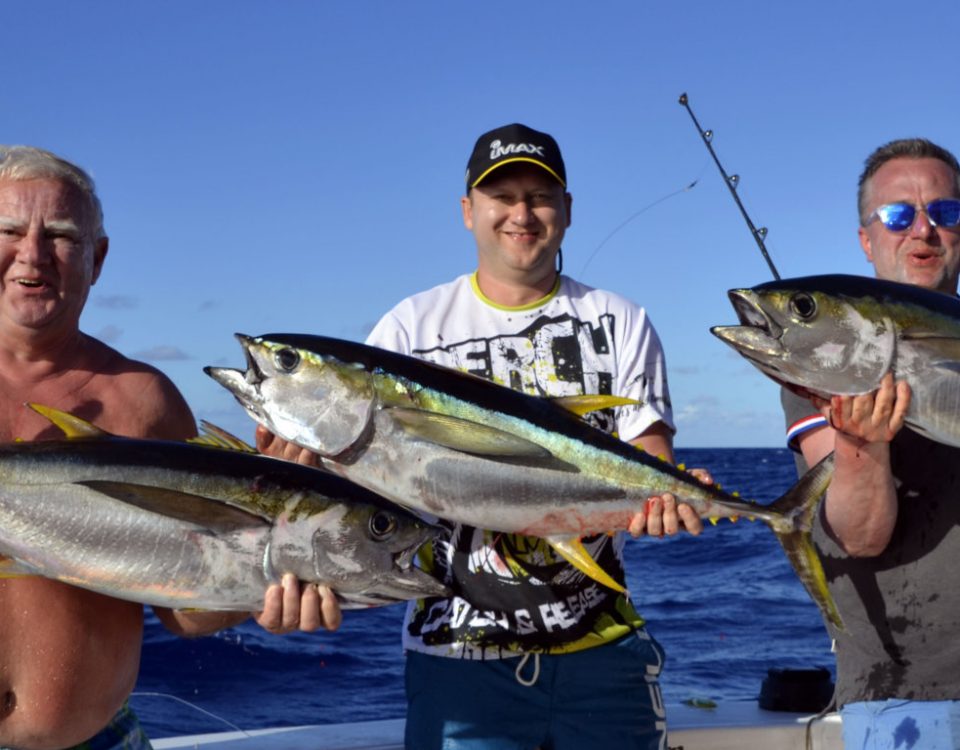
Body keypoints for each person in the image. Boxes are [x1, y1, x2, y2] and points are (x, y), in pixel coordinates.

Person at [260, 123, 703, 749]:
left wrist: (671, 499)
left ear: (568, 212)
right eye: (502, 196)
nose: (521, 213)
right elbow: (365, 500)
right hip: (456, 657)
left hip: (604, 655)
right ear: (468, 211)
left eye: (539, 196)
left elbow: (650, 459)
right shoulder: (408, 328)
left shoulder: (620, 320)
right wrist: (296, 483)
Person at [0, 145, 340, 750]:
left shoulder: (142, 399)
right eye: (8, 229)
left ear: (97, 258)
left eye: (60, 235)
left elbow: (183, 612)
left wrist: (261, 575)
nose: (32, 253)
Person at [782, 138, 960, 748]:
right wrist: (863, 446)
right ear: (866, 238)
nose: (924, 230)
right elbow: (859, 536)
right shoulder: (818, 374)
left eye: (946, 212)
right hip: (906, 692)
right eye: (897, 215)